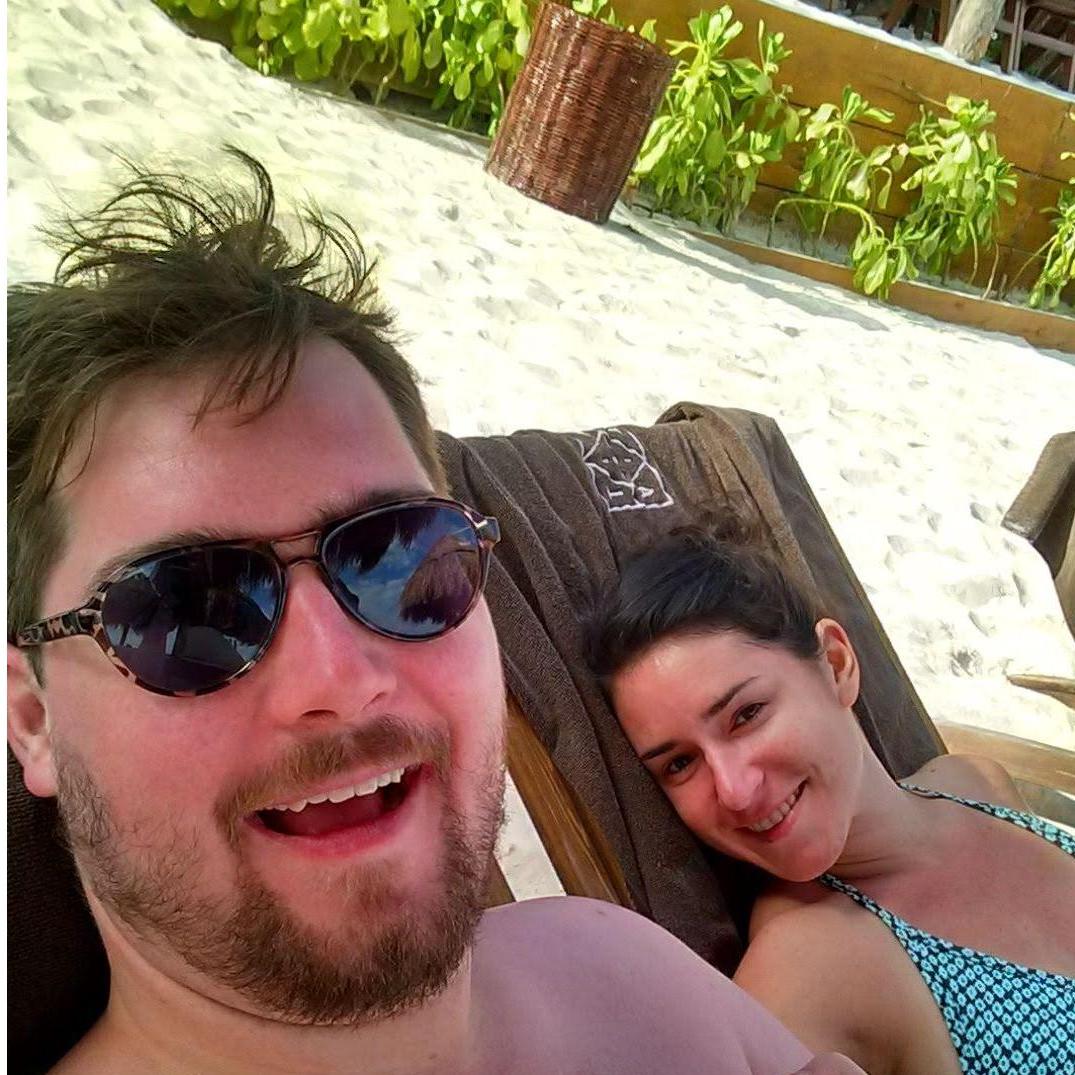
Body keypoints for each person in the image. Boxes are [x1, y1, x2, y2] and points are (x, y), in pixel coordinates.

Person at [6, 150, 864, 1075]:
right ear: (33, 715)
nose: (342, 678)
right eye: (188, 611)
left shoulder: (626, 968)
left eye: (401, 559)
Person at [588, 526, 1075, 1075]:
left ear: (837, 664)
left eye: (746, 715)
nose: (735, 790)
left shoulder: (975, 782)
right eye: (680, 764)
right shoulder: (810, 965)